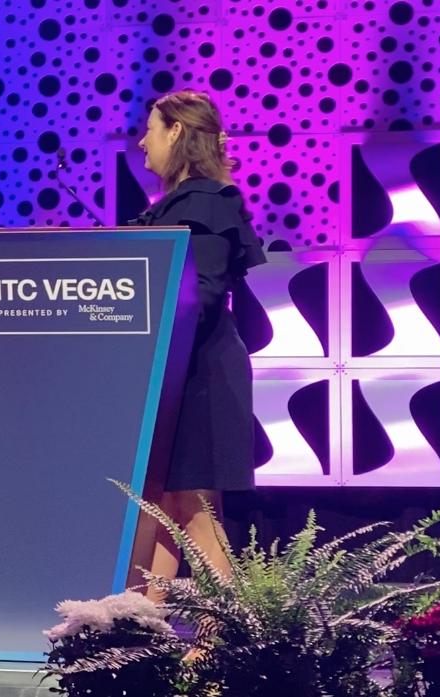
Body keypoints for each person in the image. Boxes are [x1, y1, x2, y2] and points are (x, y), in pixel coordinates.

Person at [130, 89, 266, 601]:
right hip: (181, 374)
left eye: (150, 128)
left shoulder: (205, 202)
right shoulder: (184, 202)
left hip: (200, 376)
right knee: (167, 506)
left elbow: (199, 295)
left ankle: (223, 633)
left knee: (193, 510)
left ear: (176, 131)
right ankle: (146, 624)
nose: (142, 142)